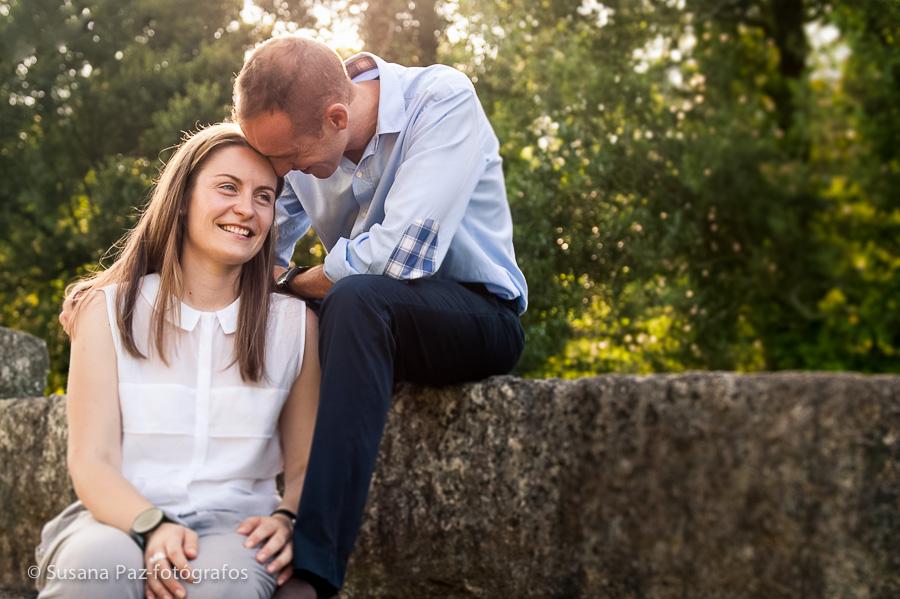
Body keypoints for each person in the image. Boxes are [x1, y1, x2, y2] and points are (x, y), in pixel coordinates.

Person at [232, 36, 528, 598]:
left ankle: (312, 571)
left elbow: (400, 258)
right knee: (271, 308)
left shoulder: (441, 98)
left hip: (477, 315)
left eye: (288, 158)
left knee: (352, 297)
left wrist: (291, 281)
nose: (279, 172)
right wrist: (122, 287)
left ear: (336, 117)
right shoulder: (296, 140)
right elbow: (246, 247)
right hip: (366, 324)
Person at [41, 123, 320, 599]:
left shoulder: (296, 325)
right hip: (116, 517)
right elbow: (91, 461)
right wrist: (152, 527)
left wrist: (286, 516)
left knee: (221, 584)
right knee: (95, 569)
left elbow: (303, 467)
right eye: (228, 187)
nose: (246, 209)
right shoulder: (105, 311)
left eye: (264, 197)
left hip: (236, 527)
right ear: (183, 198)